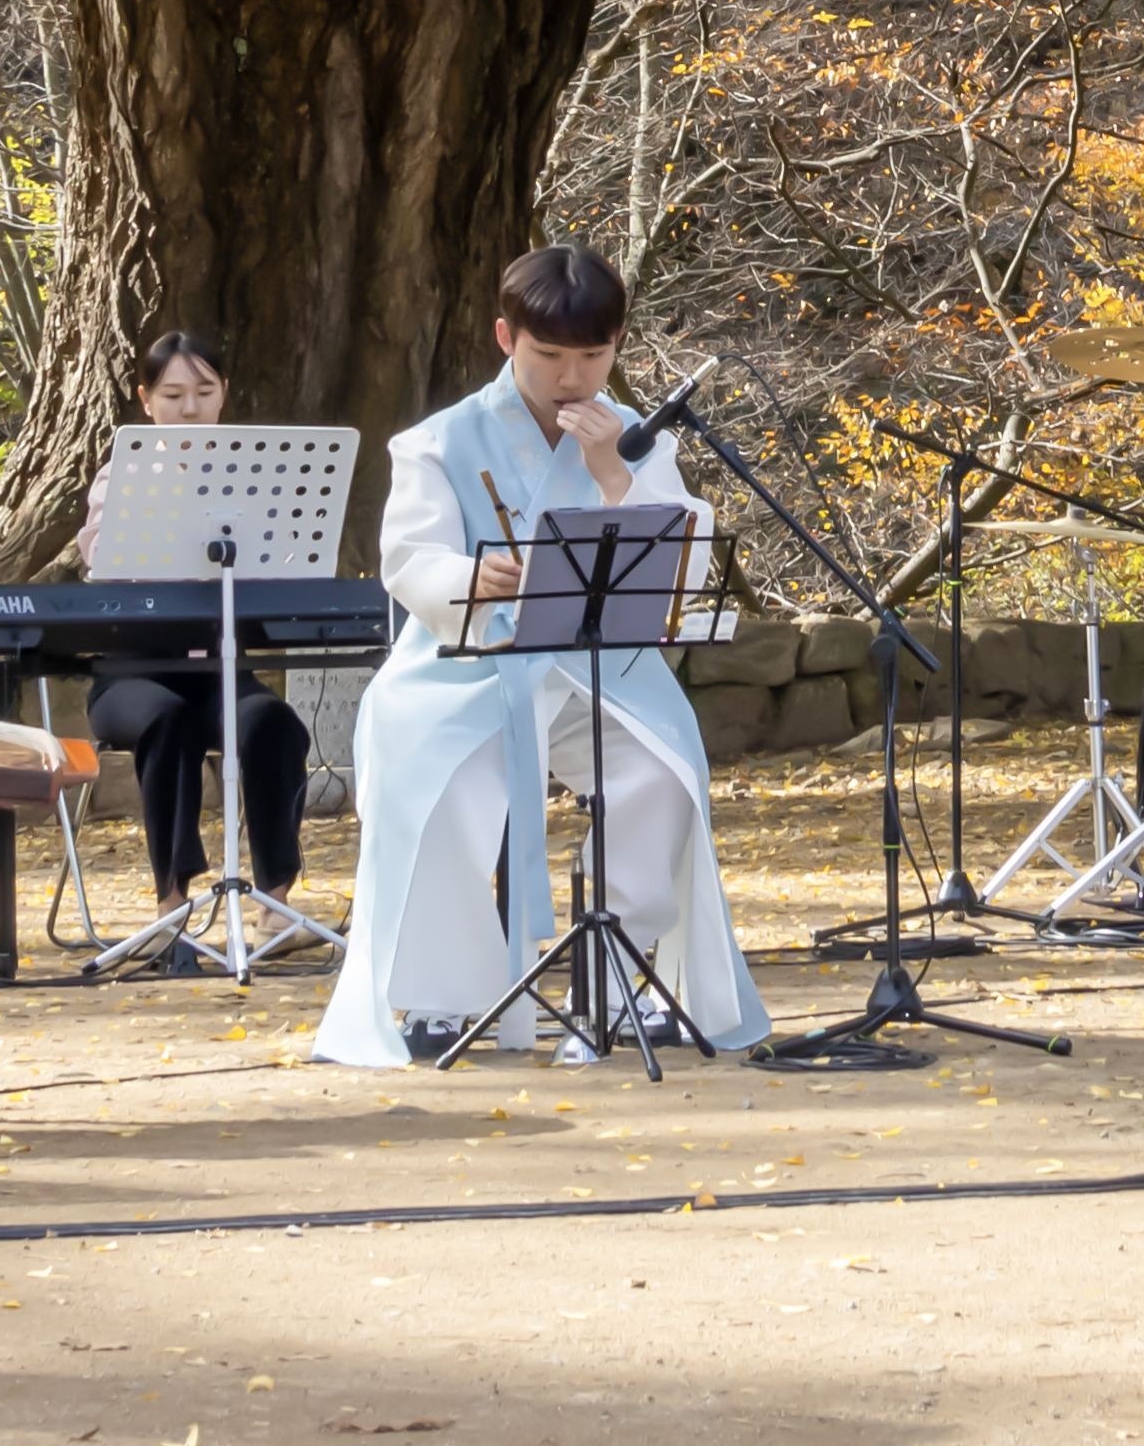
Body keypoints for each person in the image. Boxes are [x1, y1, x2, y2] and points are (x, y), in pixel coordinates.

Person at [312, 246, 772, 1067]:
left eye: (593, 356)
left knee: (662, 772)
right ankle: (442, 996)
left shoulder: (632, 437)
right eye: (549, 354)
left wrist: (613, 472)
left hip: (597, 669)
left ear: (618, 344)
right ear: (505, 338)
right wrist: (471, 577)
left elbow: (683, 555)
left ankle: (614, 977)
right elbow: (411, 561)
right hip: (467, 669)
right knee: (441, 779)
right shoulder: (437, 440)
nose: (571, 377)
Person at [80, 332, 319, 924]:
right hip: (133, 675)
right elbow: (102, 557)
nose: (190, 408)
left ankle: (275, 904)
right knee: (169, 720)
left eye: (204, 392)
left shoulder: (252, 479)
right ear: (146, 400)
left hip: (219, 670)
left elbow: (284, 563)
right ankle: (172, 904)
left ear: (224, 394)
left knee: (272, 722)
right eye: (173, 395)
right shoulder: (123, 476)